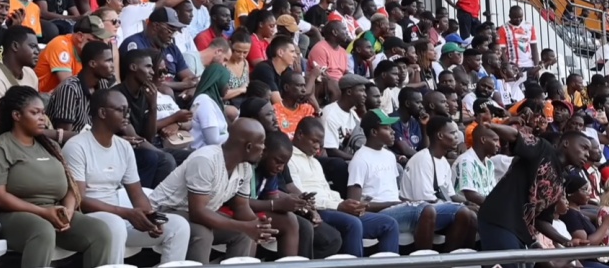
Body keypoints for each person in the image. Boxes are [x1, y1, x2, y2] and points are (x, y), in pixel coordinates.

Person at [0, 86, 112, 268]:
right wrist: (43, 213)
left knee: (100, 232)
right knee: (42, 230)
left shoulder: (51, 147)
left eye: (43, 112)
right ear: (17, 115)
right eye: (35, 113)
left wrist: (68, 211)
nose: (42, 118)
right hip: (12, 216)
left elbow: (71, 187)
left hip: (54, 213)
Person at [63, 88, 190, 264]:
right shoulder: (77, 146)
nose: (126, 115)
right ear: (102, 113)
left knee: (179, 226)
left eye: (128, 110)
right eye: (121, 110)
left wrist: (149, 217)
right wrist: (126, 213)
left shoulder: (123, 146)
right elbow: (79, 199)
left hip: (119, 217)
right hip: (88, 219)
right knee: (115, 225)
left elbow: (136, 193)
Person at [147, 118, 275, 263]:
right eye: (262, 143)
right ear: (249, 147)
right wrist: (245, 226)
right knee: (202, 233)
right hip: (163, 213)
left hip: (194, 215)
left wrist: (258, 227)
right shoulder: (206, 159)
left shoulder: (245, 167)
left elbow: (241, 207)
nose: (264, 148)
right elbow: (198, 213)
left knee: (243, 234)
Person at [347, 108, 473, 251]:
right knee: (426, 209)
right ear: (374, 132)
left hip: (398, 208)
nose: (393, 131)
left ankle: (450, 259)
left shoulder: (389, 156)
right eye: (386, 128)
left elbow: (394, 192)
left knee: (462, 211)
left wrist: (403, 202)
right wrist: (395, 203)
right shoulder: (360, 159)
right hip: (379, 214)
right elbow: (354, 205)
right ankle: (425, 259)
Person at [288, 117, 400, 256]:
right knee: (353, 223)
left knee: (389, 224)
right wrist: (339, 206)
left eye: (320, 144)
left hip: (334, 206)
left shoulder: (315, 162)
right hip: (317, 211)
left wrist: (348, 204)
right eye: (314, 141)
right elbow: (301, 197)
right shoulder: (289, 159)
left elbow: (327, 191)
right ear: (300, 135)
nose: (318, 147)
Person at [478, 124, 592, 261]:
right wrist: (491, 125)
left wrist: (566, 241)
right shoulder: (543, 149)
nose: (587, 154)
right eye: (584, 148)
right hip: (499, 220)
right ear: (566, 143)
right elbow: (515, 136)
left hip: (521, 233)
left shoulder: (559, 183)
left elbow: (541, 221)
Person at [45, 41, 113, 141]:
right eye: (108, 61)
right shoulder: (70, 89)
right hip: (72, 145)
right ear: (92, 64)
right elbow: (64, 136)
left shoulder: (103, 84)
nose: (112, 66)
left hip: (93, 141)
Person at [0, 25, 39, 127]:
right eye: (32, 46)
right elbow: (3, 124)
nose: (37, 51)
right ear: (15, 46)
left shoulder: (30, 74)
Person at [452, 123, 500, 206]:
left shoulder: (489, 163)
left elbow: (493, 192)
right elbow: (471, 196)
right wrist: (496, 205)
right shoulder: (466, 161)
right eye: (495, 140)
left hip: (485, 207)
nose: (498, 145)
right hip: (467, 207)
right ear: (483, 140)